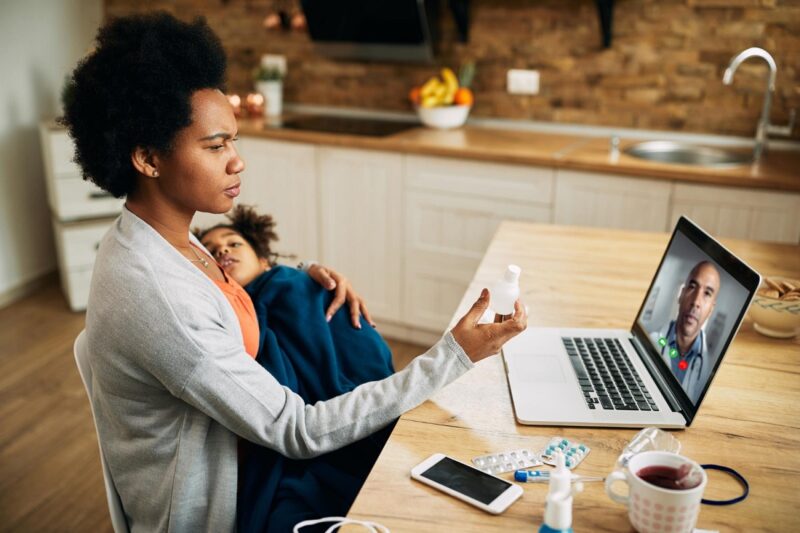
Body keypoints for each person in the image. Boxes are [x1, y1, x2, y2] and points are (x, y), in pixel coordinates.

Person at [62, 12, 526, 532]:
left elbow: (225, 289)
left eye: (233, 141)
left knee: (413, 446)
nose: (237, 162)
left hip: (246, 449)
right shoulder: (153, 292)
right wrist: (453, 356)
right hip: (231, 499)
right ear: (148, 158)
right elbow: (296, 429)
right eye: (216, 146)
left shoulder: (163, 234)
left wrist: (305, 272)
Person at [196, 206, 397, 531]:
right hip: (293, 431)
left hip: (353, 412)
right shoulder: (219, 314)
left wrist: (306, 269)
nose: (222, 249)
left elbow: (364, 355)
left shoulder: (295, 283)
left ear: (263, 260)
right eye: (211, 249)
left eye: (234, 243)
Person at [650, 261, 721, 403]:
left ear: (711, 309)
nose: (696, 302)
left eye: (707, 293)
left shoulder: (711, 373)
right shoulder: (653, 340)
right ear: (681, 295)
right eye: (692, 287)